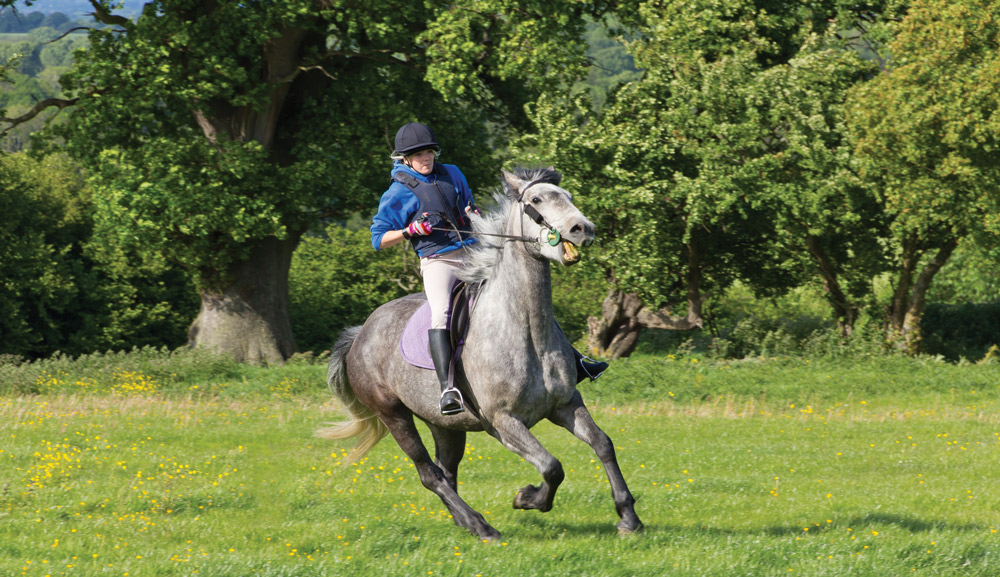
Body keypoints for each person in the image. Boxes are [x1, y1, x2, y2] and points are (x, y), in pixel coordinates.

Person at [371, 122, 607, 416]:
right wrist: (410, 230)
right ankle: (448, 388)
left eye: (429, 151)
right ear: (404, 159)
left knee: (523, 296)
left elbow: (467, 206)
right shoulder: (397, 193)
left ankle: (577, 360)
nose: (426, 158)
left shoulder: (453, 173)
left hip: (472, 250)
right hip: (439, 261)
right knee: (442, 311)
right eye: (418, 155)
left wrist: (473, 214)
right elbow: (378, 239)